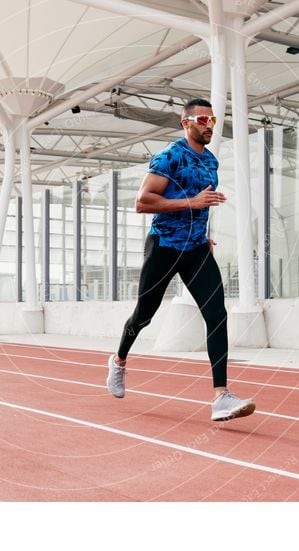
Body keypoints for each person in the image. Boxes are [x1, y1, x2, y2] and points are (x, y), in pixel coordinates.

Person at [106, 98, 256, 422]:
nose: (208, 125)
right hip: (164, 247)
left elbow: (203, 205)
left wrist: (202, 232)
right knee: (143, 316)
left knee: (217, 314)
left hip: (196, 250)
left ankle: (221, 397)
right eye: (202, 119)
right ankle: (118, 361)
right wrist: (191, 202)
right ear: (185, 122)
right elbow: (142, 202)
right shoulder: (169, 156)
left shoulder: (211, 162)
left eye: (212, 120)